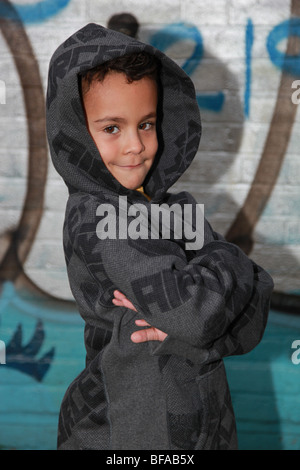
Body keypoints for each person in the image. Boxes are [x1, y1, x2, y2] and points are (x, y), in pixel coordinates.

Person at [46, 23, 274, 450]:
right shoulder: (100, 218)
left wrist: (201, 338)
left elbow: (255, 310)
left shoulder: (171, 207)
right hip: (127, 433)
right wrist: (231, 259)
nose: (135, 145)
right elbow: (199, 312)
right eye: (112, 128)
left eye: (146, 124)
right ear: (76, 130)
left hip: (203, 425)